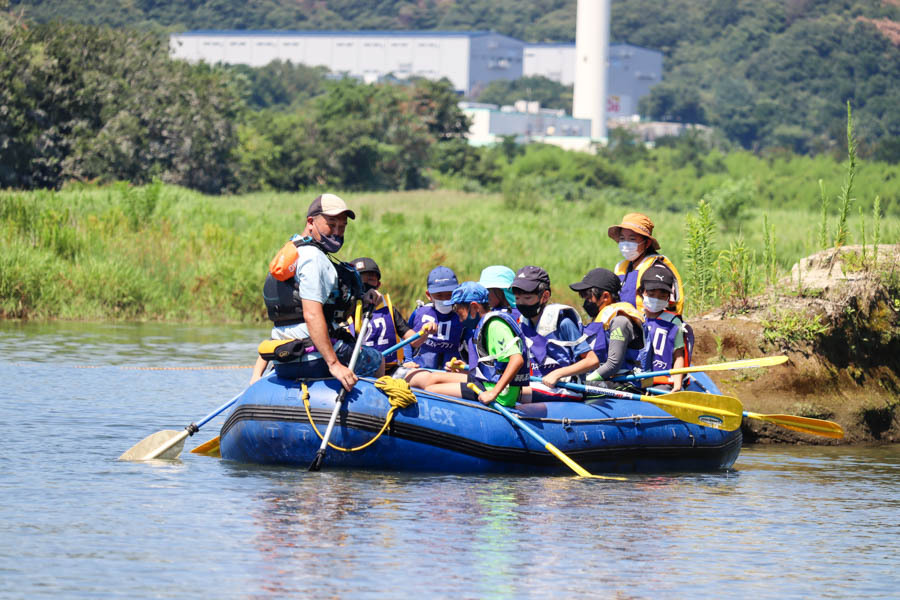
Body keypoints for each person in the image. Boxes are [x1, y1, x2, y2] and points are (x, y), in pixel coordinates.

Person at [251, 193, 384, 388]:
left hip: (283, 360)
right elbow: (312, 314)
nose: (337, 232)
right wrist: (334, 364)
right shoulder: (314, 258)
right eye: (331, 224)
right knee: (377, 359)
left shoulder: (293, 249)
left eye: (342, 227)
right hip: (313, 359)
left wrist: (363, 297)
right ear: (311, 221)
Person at [408, 282, 528, 407]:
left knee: (431, 390)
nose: (460, 320)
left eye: (460, 314)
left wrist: (493, 393)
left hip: (500, 393)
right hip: (487, 382)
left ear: (474, 307)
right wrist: (465, 367)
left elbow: (517, 359)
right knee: (433, 379)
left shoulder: (495, 325)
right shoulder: (485, 324)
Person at [511, 266, 591, 402]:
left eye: (527, 298)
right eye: (518, 298)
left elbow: (592, 360)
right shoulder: (522, 323)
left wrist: (557, 374)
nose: (521, 303)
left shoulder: (563, 323)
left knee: (510, 392)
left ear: (545, 296)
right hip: (535, 384)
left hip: (565, 387)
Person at [565, 268, 646, 390]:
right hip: (606, 381)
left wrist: (586, 380)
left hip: (625, 383)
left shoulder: (620, 321)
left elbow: (613, 364)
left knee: (574, 387)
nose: (585, 302)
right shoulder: (601, 319)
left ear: (605, 296)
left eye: (588, 297)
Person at [348, 256, 434, 371]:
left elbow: (414, 341)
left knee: (430, 378)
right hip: (358, 370)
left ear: (378, 285)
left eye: (370, 280)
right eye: (360, 280)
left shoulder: (388, 308)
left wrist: (425, 332)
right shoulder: (345, 310)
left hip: (390, 369)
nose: (365, 284)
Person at [608, 212, 685, 315]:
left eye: (632, 239)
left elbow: (669, 305)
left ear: (647, 243)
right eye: (622, 239)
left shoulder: (657, 267)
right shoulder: (621, 267)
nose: (625, 243)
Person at [637, 264, 693, 392]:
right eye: (651, 294)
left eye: (662, 296)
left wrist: (677, 385)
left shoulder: (673, 322)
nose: (656, 299)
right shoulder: (635, 317)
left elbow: (678, 356)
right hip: (637, 378)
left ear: (668, 297)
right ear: (642, 292)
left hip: (661, 380)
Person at [406, 266, 464, 370]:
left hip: (451, 372)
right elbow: (405, 338)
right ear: (429, 295)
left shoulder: (462, 316)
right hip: (422, 369)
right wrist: (408, 360)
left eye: (449, 295)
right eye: (439, 295)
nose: (444, 299)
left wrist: (463, 364)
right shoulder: (419, 313)